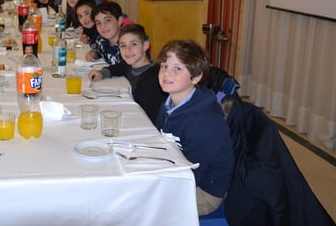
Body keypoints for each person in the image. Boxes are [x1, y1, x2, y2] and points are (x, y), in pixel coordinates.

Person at [155, 40, 234, 216]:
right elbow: (161, 143)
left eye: (177, 68)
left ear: (196, 77)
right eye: (164, 66)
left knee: (142, 205)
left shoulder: (203, 121)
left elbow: (193, 173)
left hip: (203, 190)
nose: (167, 73)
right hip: (178, 171)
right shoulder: (168, 104)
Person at [88, 24, 166, 125]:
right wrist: (102, 73)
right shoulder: (131, 64)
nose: (127, 50)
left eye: (133, 44)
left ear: (145, 46)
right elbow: (119, 68)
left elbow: (147, 117)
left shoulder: (152, 79)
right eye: (123, 45)